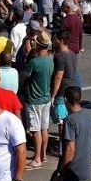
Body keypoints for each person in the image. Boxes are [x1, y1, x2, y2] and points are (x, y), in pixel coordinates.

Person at [21, 32, 54, 169]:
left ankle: (37, 158)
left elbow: (23, 77)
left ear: (39, 45)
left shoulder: (34, 62)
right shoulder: (50, 59)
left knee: (36, 130)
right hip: (46, 98)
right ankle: (43, 155)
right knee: (44, 128)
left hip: (34, 99)